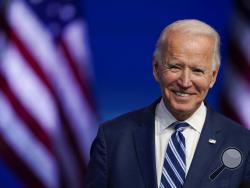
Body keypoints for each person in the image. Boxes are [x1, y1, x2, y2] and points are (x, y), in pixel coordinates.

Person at [85, 19, 250, 188]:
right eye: (175, 67)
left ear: (213, 77)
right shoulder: (113, 138)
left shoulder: (242, 143)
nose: (185, 82)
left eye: (197, 70)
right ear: (156, 69)